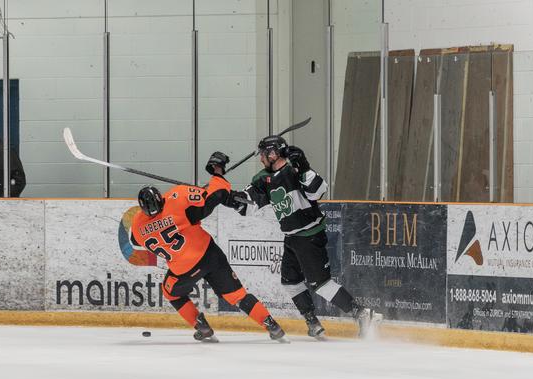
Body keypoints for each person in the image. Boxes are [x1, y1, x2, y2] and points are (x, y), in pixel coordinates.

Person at [224, 135, 374, 339]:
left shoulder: (294, 170)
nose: (260, 159)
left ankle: (362, 314)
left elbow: (318, 191)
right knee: (290, 281)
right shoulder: (263, 178)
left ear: (273, 154)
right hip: (292, 238)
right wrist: (228, 197)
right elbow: (249, 204)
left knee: (321, 284)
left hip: (309, 236)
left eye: (263, 154)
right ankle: (312, 322)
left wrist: (304, 166)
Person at [130, 152, 287, 343]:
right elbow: (217, 195)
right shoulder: (177, 200)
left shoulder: (138, 227)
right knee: (237, 296)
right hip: (210, 255)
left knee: (170, 292)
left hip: (183, 270)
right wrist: (217, 173)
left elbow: (135, 239)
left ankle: (202, 327)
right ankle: (271, 324)